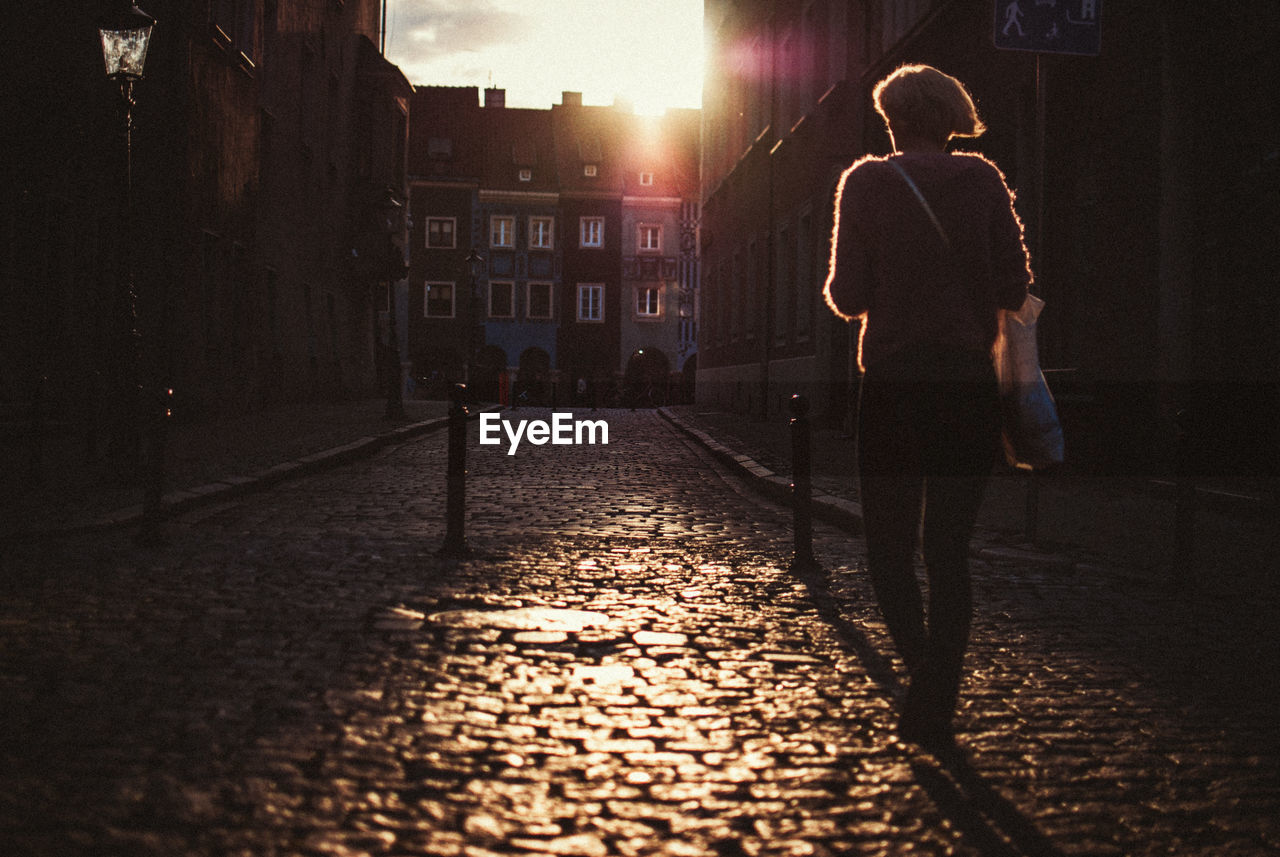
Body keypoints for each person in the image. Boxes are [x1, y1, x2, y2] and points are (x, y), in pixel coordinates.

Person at [823, 64, 1033, 755]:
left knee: (888, 547)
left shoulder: (865, 183)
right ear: (950, 121)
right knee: (949, 549)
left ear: (891, 121)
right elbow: (1016, 282)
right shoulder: (982, 180)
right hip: (966, 386)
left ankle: (924, 676)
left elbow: (847, 296)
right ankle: (937, 689)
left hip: (891, 386)